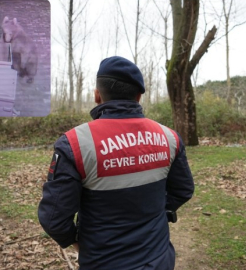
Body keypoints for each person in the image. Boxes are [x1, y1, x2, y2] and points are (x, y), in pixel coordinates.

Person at [38, 56, 194, 270]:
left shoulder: (75, 144)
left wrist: (77, 244)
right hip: (158, 259)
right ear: (139, 97)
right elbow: (183, 190)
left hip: (102, 262)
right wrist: (153, 212)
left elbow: (54, 219)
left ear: (97, 95)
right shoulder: (170, 138)